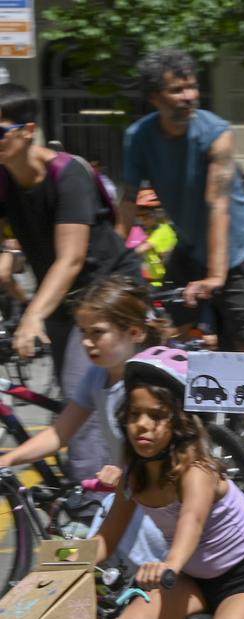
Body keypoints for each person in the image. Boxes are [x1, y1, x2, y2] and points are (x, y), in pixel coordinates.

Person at [120, 49, 244, 454]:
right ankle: (188, 428)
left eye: (192, 86)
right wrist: (116, 265)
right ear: (155, 97)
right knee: (166, 337)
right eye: (177, 89)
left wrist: (217, 276)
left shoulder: (216, 132)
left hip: (237, 252)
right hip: (190, 247)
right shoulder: (138, 137)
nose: (189, 95)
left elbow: (218, 205)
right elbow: (126, 205)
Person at [94, 346, 244, 619]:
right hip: (192, 579)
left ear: (178, 423)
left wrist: (170, 564)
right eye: (134, 415)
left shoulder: (198, 470)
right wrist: (62, 562)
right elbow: (106, 539)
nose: (142, 425)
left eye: (156, 415)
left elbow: (191, 523)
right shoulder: (134, 475)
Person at [0, 82, 141, 484]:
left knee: (86, 405)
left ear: (28, 130)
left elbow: (71, 257)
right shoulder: (5, 180)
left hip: (107, 296)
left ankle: (94, 512)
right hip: (64, 302)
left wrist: (31, 317)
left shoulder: (68, 173)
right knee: (75, 402)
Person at [0, 277, 168, 563]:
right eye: (83, 332)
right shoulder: (97, 375)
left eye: (98, 333)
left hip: (161, 503)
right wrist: (8, 459)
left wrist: (125, 471)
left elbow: (167, 454)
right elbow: (60, 433)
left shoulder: (150, 382)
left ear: (134, 332)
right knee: (81, 568)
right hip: (128, 496)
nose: (86, 342)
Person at [126, 188, 178, 287]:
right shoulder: (150, 230)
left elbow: (141, 249)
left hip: (161, 284)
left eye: (145, 216)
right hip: (149, 281)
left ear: (157, 214)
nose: (142, 220)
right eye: (139, 216)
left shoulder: (164, 230)